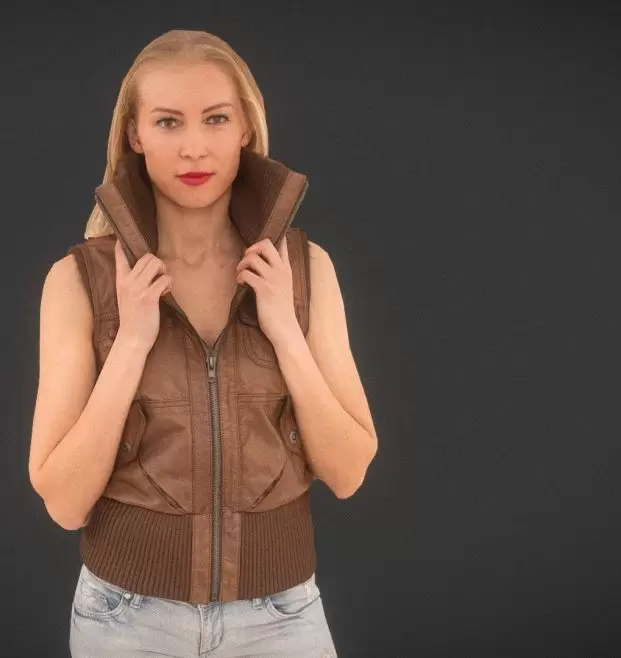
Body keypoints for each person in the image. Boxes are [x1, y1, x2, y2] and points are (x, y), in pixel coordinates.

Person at [29, 29, 378, 657]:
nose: (194, 146)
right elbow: (63, 502)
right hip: (125, 620)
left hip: (282, 617)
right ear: (135, 135)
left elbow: (349, 471)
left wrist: (286, 331)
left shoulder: (305, 270)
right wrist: (131, 342)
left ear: (245, 128)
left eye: (216, 118)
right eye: (168, 122)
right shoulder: (78, 280)